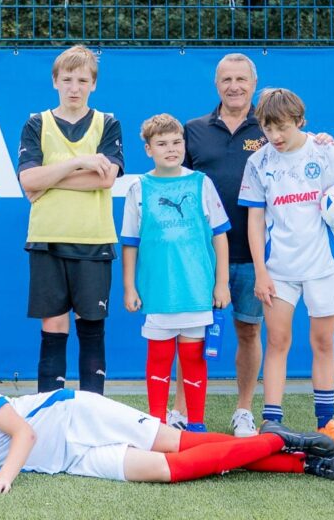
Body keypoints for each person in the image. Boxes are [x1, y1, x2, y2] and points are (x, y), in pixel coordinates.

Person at [0, 361, 334, 492]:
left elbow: (23, 434)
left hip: (74, 414)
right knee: (168, 470)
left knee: (180, 441)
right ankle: (301, 464)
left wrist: (4, 478)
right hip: (69, 459)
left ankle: (280, 441)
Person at [180, 53, 334, 436]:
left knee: (249, 333)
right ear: (216, 84)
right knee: (190, 334)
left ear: (253, 83)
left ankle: (244, 411)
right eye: (226, 79)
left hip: (255, 259)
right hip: (204, 256)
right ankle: (182, 412)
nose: (234, 86)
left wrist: (322, 139)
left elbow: (302, 143)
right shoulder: (193, 130)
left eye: (241, 79)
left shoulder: (268, 125)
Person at [239, 88, 334, 449]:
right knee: (277, 341)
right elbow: (255, 220)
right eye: (268, 129)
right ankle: (272, 423)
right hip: (278, 271)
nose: (275, 136)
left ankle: (327, 422)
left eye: (282, 128)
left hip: (323, 267)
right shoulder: (258, 162)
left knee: (322, 341)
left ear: (300, 121)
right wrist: (261, 271)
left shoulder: (324, 151)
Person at [17, 44, 123, 395]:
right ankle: (51, 410)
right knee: (53, 327)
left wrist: (48, 180)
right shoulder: (36, 123)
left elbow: (105, 180)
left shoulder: (107, 123)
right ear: (55, 81)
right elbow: (28, 180)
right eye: (67, 80)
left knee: (92, 328)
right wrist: (79, 162)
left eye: (82, 80)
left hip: (94, 239)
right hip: (47, 238)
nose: (74, 88)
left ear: (93, 84)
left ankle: (92, 412)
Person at [121, 114, 230, 433]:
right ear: (148, 149)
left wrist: (221, 283)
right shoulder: (138, 189)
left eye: (176, 142)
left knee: (194, 358)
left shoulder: (201, 183)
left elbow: (219, 235)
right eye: (162, 144)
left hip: (196, 290)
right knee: (159, 357)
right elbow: (130, 242)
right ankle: (156, 425)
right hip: (158, 292)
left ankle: (195, 424)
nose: (171, 149)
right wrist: (129, 287)